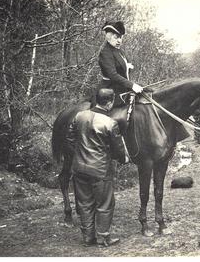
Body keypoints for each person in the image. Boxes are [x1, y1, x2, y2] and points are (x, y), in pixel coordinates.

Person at [67, 88, 129, 247]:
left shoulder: (79, 116)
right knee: (105, 204)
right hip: (100, 169)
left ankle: (88, 238)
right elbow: (118, 149)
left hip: (79, 167)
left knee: (84, 203)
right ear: (110, 102)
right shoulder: (110, 123)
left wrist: (79, 152)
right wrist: (123, 159)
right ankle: (103, 238)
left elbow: (70, 138)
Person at [98, 21, 144, 107]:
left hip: (122, 88)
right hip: (109, 90)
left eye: (121, 37)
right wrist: (132, 85)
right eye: (116, 37)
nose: (119, 40)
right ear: (109, 37)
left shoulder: (120, 51)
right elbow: (113, 75)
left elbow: (123, 69)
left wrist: (127, 67)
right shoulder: (105, 52)